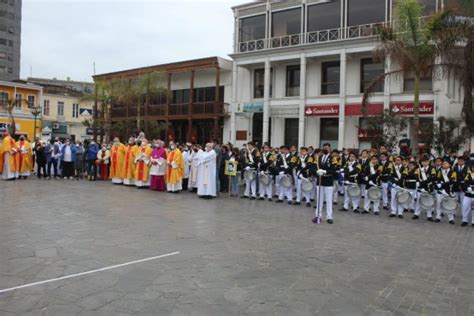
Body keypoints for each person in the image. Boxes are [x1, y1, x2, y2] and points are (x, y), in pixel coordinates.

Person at [313, 145, 337, 224]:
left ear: (330, 149)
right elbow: (313, 167)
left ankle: (329, 217)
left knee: (328, 200)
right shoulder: (318, 157)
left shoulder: (333, 158)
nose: (326, 149)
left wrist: (325, 171)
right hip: (320, 181)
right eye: (324, 147)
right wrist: (316, 172)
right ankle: (318, 215)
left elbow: (334, 169)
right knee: (319, 199)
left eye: (327, 148)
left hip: (328, 181)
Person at [434, 160, 456, 224]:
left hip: (449, 191)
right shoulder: (440, 171)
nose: (444, 165)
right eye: (443, 164)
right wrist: (438, 184)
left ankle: (451, 219)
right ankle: (438, 217)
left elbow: (452, 181)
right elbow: (438, 179)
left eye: (446, 163)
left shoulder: (453, 172)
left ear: (449, 165)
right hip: (440, 191)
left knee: (449, 205)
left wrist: (442, 184)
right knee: (439, 204)